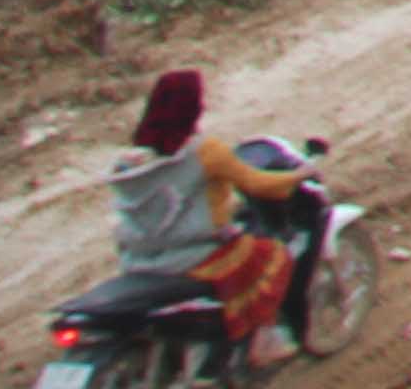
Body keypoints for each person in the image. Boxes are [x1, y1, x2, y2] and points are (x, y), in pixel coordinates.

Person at [102, 67, 308, 354]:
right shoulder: (205, 152)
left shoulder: (129, 161)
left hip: (137, 260)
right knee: (274, 255)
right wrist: (298, 176)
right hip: (194, 257)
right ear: (193, 107)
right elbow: (256, 182)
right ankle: (263, 337)